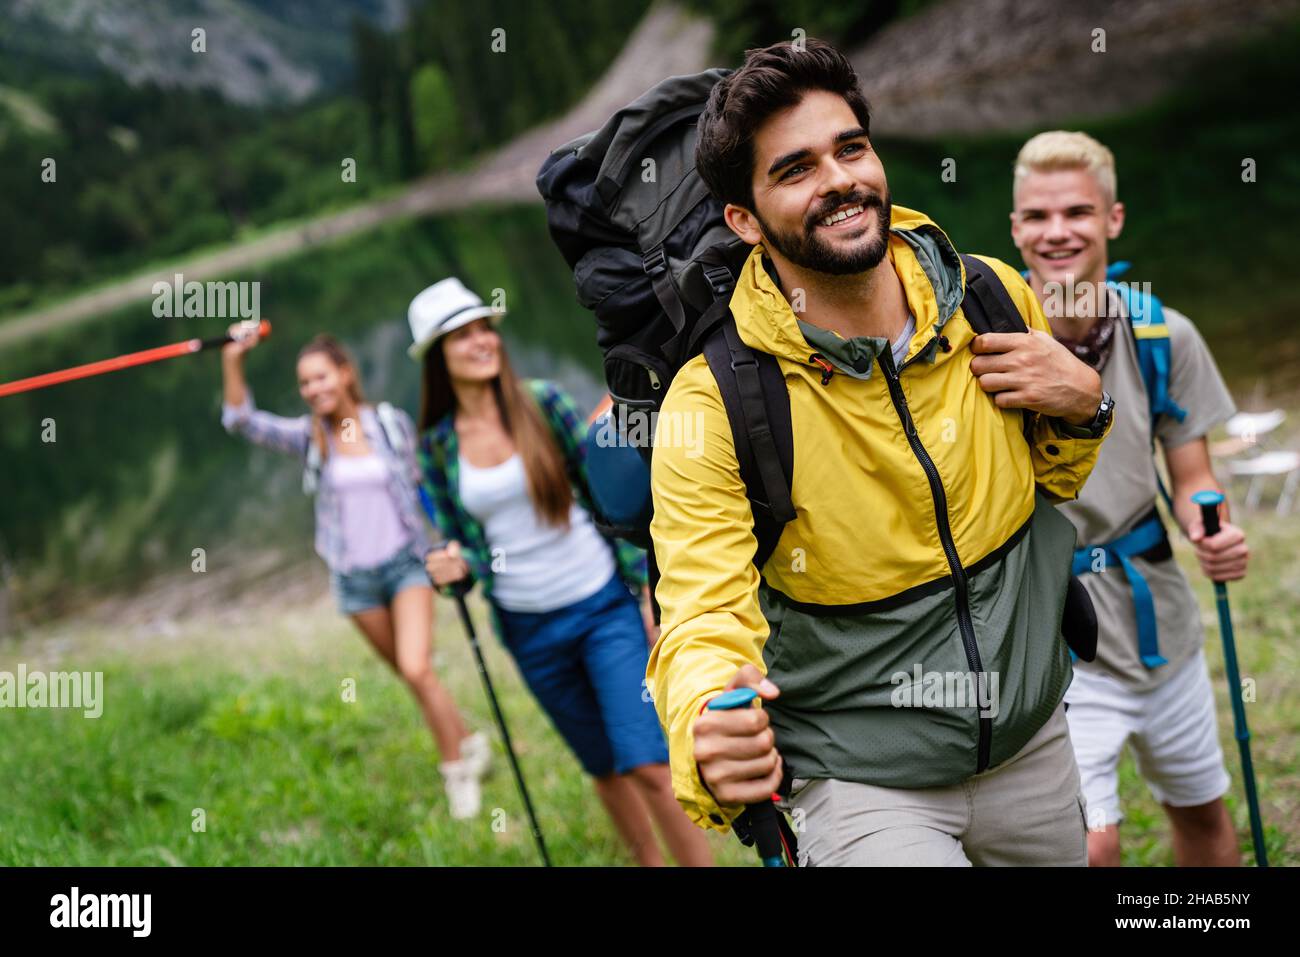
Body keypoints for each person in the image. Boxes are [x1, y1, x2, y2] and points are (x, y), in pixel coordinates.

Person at [645, 39, 1116, 866]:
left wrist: (1087, 405)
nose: (838, 181)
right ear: (744, 220)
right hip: (861, 780)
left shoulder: (992, 296)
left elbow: (1043, 484)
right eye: (794, 170)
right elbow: (701, 609)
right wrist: (704, 725)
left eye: (850, 148)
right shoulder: (714, 401)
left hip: (1034, 740)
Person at [411, 277, 712, 866]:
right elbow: (462, 546)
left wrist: (643, 591)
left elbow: (612, 504)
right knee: (603, 768)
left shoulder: (543, 402)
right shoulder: (438, 446)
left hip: (601, 607)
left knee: (647, 761)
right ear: (438, 358)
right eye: (461, 335)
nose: (480, 341)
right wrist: (450, 567)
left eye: (483, 329)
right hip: (528, 630)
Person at [1010, 131, 1248, 866]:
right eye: (1038, 216)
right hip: (1054, 632)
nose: (1058, 232)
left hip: (1160, 621)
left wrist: (1210, 524)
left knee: (1203, 809)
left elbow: (1191, 477)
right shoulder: (994, 342)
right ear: (1015, 227)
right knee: (1092, 842)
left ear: (1114, 219)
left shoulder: (1160, 333)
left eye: (1078, 211)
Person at [219, 322, 490, 819]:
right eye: (305, 383)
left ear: (344, 374)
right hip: (355, 580)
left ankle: (457, 773)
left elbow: (423, 484)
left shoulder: (388, 424)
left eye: (321, 377)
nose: (314, 389)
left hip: (406, 566)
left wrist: (451, 540)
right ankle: (470, 740)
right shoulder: (310, 438)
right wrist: (234, 359)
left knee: (416, 667)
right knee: (415, 677)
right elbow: (240, 421)